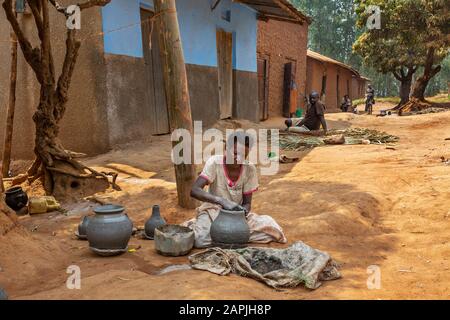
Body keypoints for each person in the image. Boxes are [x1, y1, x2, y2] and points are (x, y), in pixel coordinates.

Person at [185, 132, 287, 248]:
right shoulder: (214, 163)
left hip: (236, 216)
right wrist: (222, 201)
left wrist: (243, 211)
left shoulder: (250, 169)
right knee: (200, 240)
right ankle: (226, 235)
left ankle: (226, 237)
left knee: (273, 229)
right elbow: (194, 190)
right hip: (213, 211)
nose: (239, 158)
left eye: (244, 156)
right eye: (235, 153)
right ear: (225, 149)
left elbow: (247, 203)